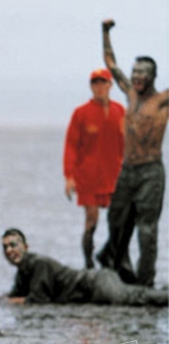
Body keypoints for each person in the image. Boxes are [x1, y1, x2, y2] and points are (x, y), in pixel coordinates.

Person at [95, 19, 169, 287]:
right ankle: (117, 268)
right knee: (116, 219)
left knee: (146, 230)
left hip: (150, 171)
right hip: (128, 170)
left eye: (142, 73)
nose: (137, 77)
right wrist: (105, 32)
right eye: (135, 72)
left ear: (153, 76)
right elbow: (111, 63)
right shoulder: (130, 93)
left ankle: (145, 282)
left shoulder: (162, 101)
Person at [0, 228, 166, 306]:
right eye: (5, 247)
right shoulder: (23, 272)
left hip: (96, 282)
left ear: (25, 247)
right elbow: (15, 295)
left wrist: (6, 303)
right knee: (134, 294)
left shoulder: (39, 263)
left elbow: (37, 300)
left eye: (13, 245)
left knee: (132, 297)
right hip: (93, 289)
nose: (9, 251)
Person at [63, 68, 126, 269]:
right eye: (95, 83)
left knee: (119, 220)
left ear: (110, 85)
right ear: (91, 86)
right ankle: (88, 264)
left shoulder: (120, 111)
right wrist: (69, 176)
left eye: (103, 83)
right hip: (88, 177)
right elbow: (71, 145)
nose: (99, 87)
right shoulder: (81, 113)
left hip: (115, 175)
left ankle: (112, 260)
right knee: (91, 220)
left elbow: (128, 144)